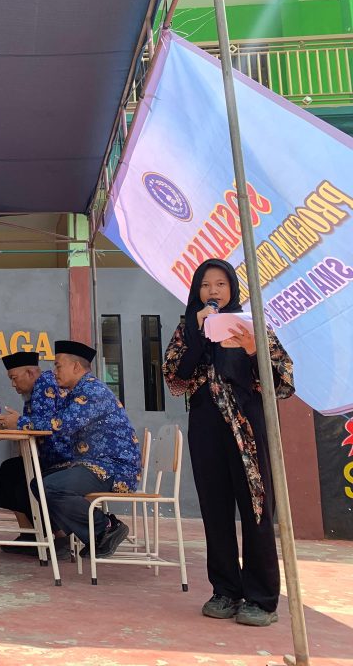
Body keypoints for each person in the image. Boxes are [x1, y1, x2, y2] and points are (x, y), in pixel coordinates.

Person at [163, 258, 294, 627]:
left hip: (247, 429)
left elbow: (282, 381)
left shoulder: (253, 324)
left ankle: (262, 599)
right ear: (197, 290)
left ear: (233, 288)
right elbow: (175, 378)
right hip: (206, 428)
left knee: (256, 508)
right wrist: (197, 333)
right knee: (215, 509)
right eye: (206, 285)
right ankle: (225, 591)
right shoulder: (188, 326)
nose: (213, 291)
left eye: (220, 284)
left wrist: (252, 349)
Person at [24, 340, 140, 558]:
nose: (54, 372)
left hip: (113, 469)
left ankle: (106, 527)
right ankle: (73, 536)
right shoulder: (76, 392)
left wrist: (21, 423)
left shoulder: (92, 391)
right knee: (38, 482)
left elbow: (61, 425)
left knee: (50, 486)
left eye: (58, 366)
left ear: (76, 367)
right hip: (93, 464)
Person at [0, 351, 69, 557]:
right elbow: (31, 427)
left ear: (30, 373)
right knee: (10, 470)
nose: (12, 384)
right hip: (46, 455)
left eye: (14, 378)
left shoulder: (46, 385)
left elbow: (47, 426)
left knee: (27, 481)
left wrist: (18, 423)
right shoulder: (31, 394)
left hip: (63, 457)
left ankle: (60, 536)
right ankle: (29, 535)